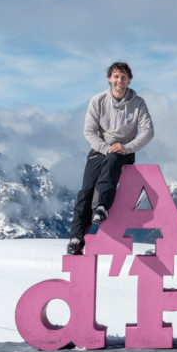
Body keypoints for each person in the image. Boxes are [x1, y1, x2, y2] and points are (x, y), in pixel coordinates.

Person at [66, 62, 154, 255]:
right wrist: (106, 148)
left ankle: (102, 206)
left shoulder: (138, 103)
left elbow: (148, 131)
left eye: (123, 77)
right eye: (115, 76)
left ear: (129, 79)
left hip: (124, 152)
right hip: (100, 149)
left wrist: (127, 147)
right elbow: (89, 131)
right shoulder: (98, 101)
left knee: (113, 162)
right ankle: (76, 238)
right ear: (109, 79)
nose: (119, 80)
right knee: (86, 191)